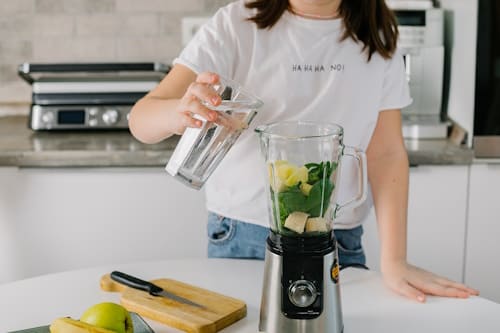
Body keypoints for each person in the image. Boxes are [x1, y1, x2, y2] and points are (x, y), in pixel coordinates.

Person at [129, 0, 479, 303]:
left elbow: (386, 153)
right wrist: (178, 111)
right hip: (244, 235)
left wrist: (395, 261)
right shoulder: (235, 26)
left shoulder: (379, 37)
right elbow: (141, 120)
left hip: (339, 238)